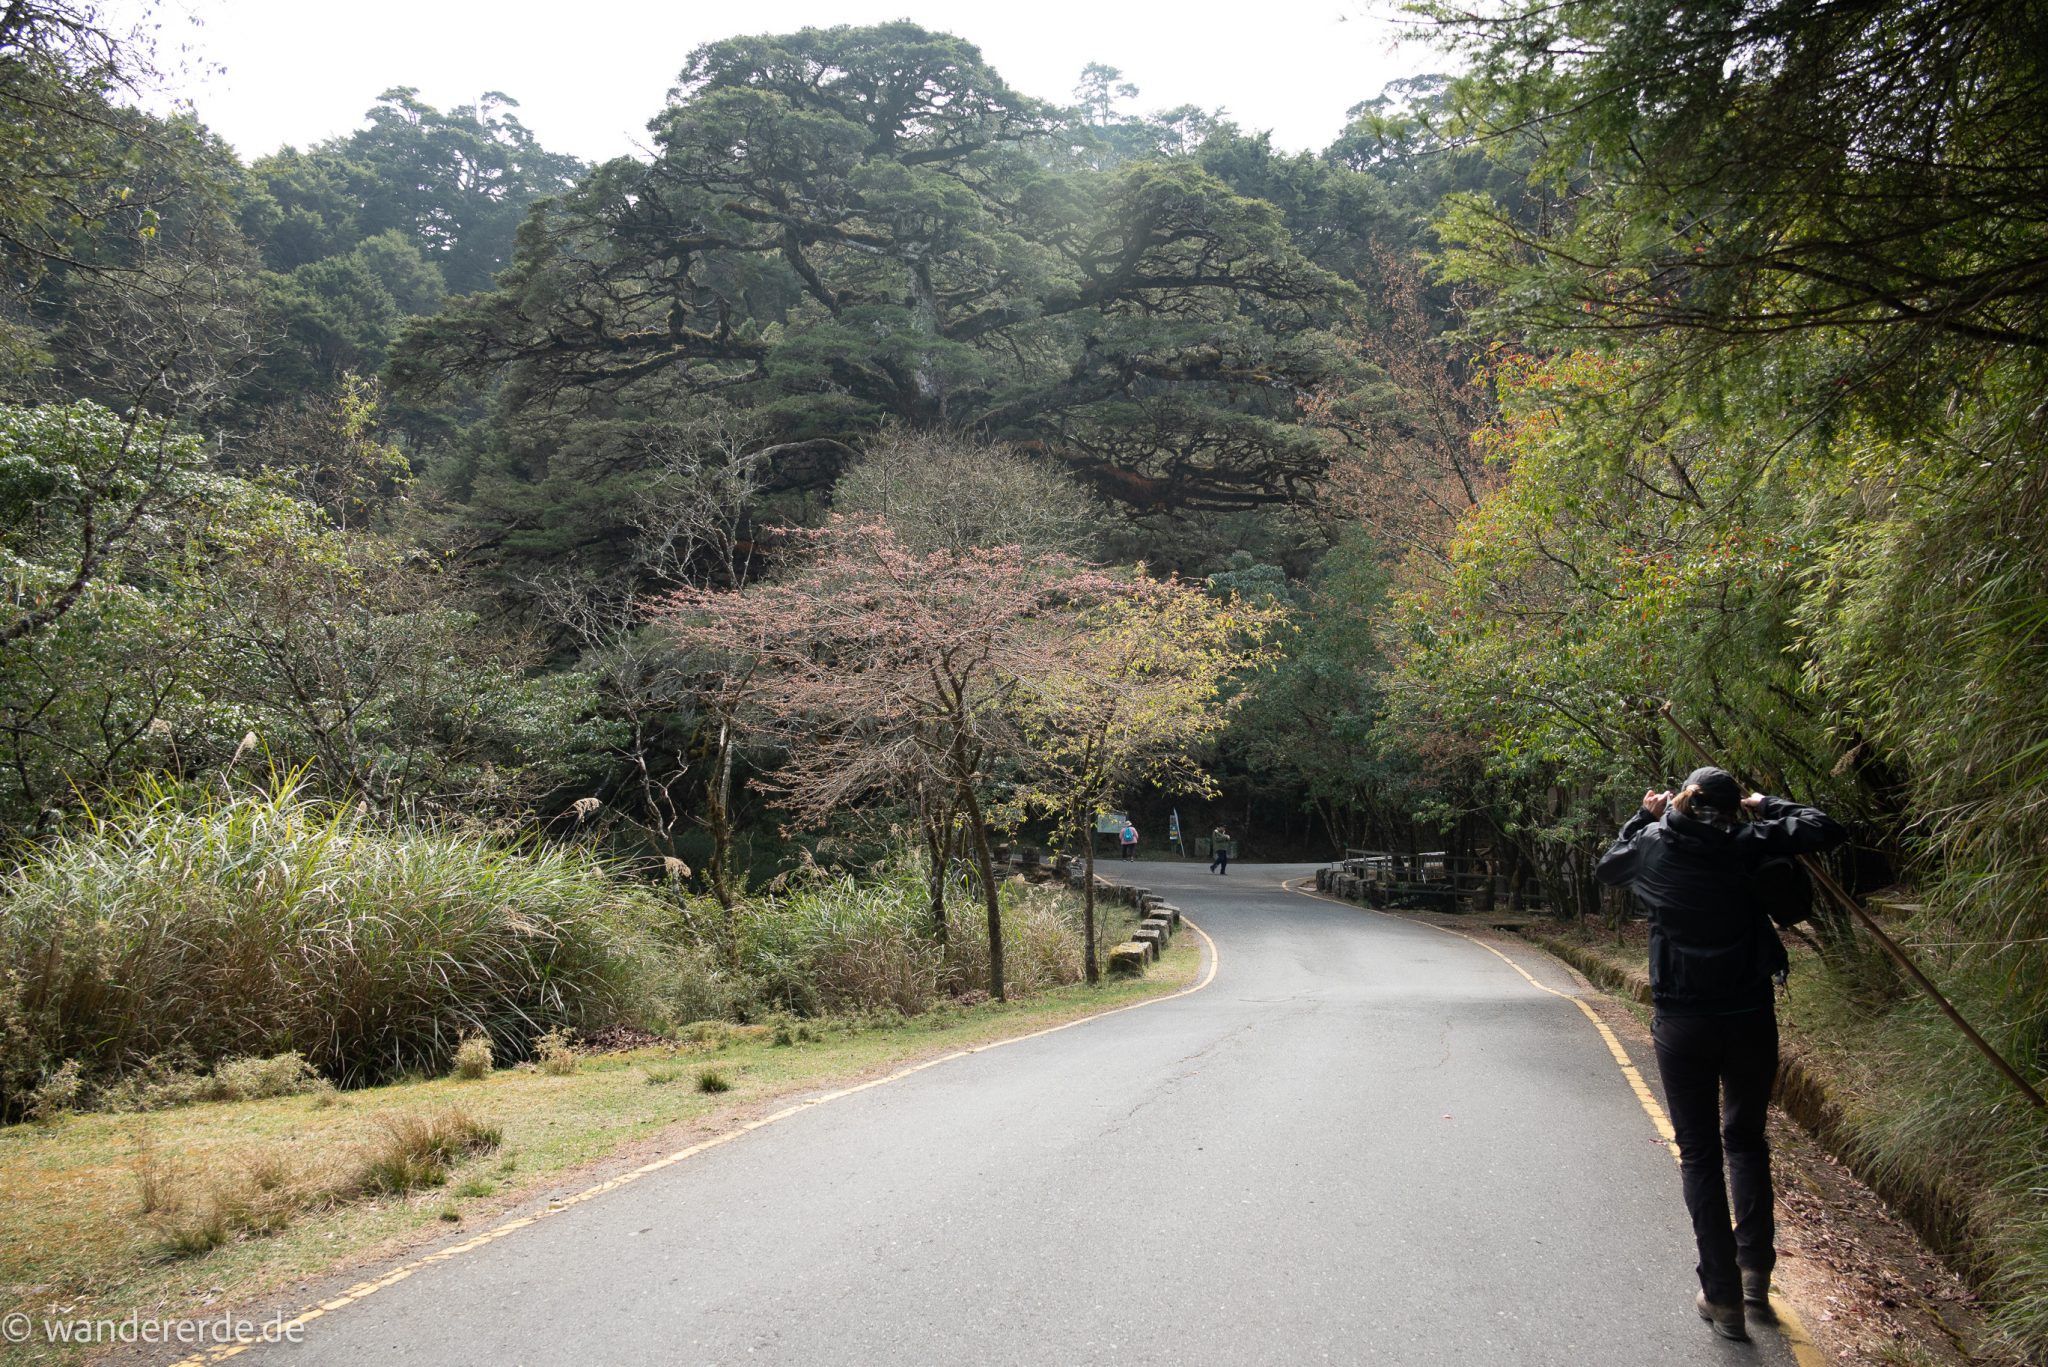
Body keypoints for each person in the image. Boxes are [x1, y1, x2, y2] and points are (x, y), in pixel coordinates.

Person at [1596, 766, 1845, 1342]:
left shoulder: (1655, 845)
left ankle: (1724, 1295)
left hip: (1682, 1018)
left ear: (1683, 800)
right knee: (1747, 1138)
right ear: (1734, 806)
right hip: (1748, 1015)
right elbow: (1825, 826)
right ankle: (1755, 1268)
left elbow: (1609, 867)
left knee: (1700, 1154)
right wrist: (1766, 804)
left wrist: (1644, 815)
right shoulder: (1751, 841)